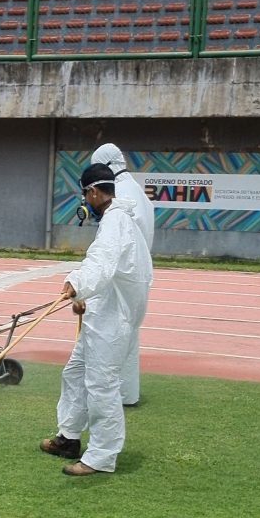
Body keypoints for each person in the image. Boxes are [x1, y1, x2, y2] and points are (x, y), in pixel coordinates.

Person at [40, 163, 153, 477]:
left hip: (114, 322)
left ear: (92, 191)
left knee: (102, 386)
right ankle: (69, 438)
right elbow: (114, 272)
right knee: (75, 374)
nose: (85, 200)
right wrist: (84, 299)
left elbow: (101, 261)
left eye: (85, 194)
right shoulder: (118, 220)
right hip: (103, 314)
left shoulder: (116, 221)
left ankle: (101, 457)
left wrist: (76, 284)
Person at [91, 143, 155, 406]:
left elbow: (114, 241)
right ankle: (127, 393)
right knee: (128, 334)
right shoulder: (137, 190)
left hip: (122, 274)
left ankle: (108, 393)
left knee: (110, 335)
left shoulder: (119, 195)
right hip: (137, 272)